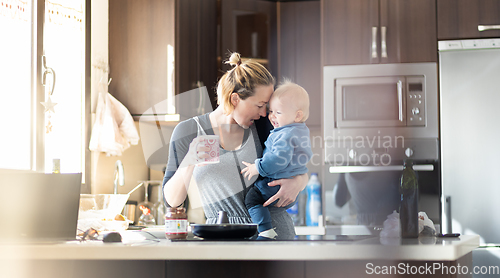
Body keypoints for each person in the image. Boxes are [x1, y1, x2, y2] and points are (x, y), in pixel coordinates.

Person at [162, 52, 308, 240]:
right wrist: (188, 162)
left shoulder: (264, 126)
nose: (265, 113)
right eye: (260, 105)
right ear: (235, 99)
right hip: (222, 239)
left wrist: (299, 182)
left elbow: (300, 162)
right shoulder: (189, 131)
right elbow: (172, 202)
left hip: (274, 236)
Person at [241, 81, 313, 239]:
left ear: (297, 115)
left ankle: (266, 231)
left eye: (277, 112)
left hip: (274, 186)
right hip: (283, 188)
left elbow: (277, 160)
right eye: (270, 110)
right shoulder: (300, 131)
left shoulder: (284, 133)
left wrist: (257, 168)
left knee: (252, 199)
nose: (269, 115)